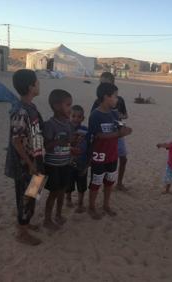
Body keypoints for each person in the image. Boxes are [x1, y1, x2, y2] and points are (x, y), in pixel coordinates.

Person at [4, 69, 44, 246]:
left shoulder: (31, 107)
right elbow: (17, 141)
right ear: (30, 86)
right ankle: (22, 232)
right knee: (25, 197)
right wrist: (30, 163)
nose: (39, 84)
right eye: (37, 82)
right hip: (25, 165)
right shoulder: (20, 111)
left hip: (36, 160)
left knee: (33, 193)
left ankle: (26, 223)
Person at [88, 83, 132, 219]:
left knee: (109, 181)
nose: (117, 99)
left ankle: (106, 205)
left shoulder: (114, 114)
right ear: (106, 97)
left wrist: (125, 130)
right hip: (99, 155)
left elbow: (119, 127)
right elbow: (98, 135)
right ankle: (91, 207)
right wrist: (119, 134)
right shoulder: (95, 115)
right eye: (115, 96)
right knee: (96, 182)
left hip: (112, 155)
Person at [43, 89, 75, 230]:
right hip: (52, 165)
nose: (70, 109)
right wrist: (59, 142)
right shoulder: (50, 125)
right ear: (56, 106)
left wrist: (74, 142)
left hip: (65, 163)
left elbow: (70, 141)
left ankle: (58, 214)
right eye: (68, 105)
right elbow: (47, 146)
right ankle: (47, 219)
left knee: (62, 190)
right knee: (54, 192)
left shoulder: (69, 124)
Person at [91, 72, 129, 191]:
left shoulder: (119, 100)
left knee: (122, 158)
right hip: (104, 139)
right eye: (101, 83)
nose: (101, 85)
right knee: (101, 164)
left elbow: (125, 115)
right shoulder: (98, 103)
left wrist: (118, 117)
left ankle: (118, 183)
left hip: (117, 134)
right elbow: (94, 123)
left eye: (104, 83)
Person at [66, 105, 91, 213]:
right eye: (73, 116)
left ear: (83, 118)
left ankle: (80, 203)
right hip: (68, 163)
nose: (76, 119)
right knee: (69, 184)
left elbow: (90, 145)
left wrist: (88, 164)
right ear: (69, 116)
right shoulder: (66, 129)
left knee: (82, 185)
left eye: (79, 116)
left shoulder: (86, 130)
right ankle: (68, 199)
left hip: (82, 163)